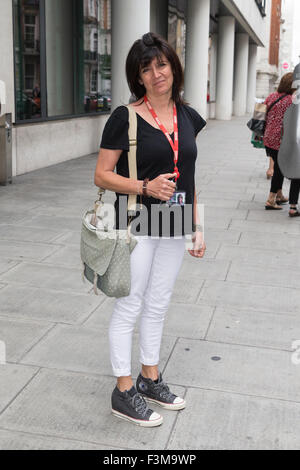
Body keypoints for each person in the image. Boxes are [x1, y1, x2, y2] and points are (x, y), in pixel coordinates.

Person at [94, 32, 206, 427]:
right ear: (138, 77)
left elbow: (190, 174)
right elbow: (102, 175)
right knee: (130, 304)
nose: (157, 73)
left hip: (175, 221)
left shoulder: (188, 115)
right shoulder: (124, 117)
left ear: (174, 67)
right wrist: (143, 185)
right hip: (138, 220)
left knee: (159, 303)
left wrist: (198, 226)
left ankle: (149, 377)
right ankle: (123, 390)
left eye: (162, 64)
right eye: (147, 68)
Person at [264, 73, 295, 210]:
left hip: (268, 137)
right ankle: (271, 199)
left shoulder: (271, 96)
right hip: (281, 140)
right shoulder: (291, 100)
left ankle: (279, 194)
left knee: (278, 165)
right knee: (280, 169)